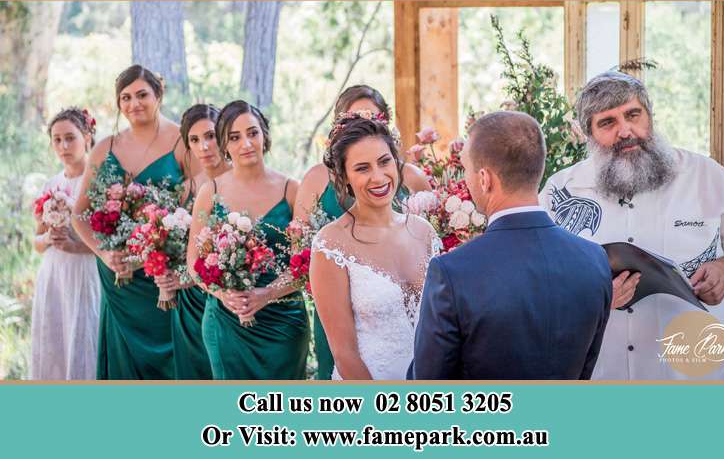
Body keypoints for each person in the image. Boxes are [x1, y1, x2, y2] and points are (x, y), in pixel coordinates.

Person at [540, 71, 724, 379]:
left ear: (649, 117)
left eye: (633, 114)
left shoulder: (708, 179)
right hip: (600, 387)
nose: (625, 130)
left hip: (694, 388)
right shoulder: (561, 192)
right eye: (607, 122)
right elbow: (537, 285)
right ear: (588, 135)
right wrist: (591, 298)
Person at [409, 111, 612, 379]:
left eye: (466, 170)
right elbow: (585, 370)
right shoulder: (594, 259)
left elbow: (428, 388)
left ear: (485, 179)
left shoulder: (452, 272)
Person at [294, 84, 431, 380]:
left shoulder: (424, 232)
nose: (378, 177)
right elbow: (344, 353)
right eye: (362, 168)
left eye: (384, 162)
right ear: (344, 177)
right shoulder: (331, 244)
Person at [73, 65, 187, 379]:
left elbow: (195, 209)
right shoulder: (104, 148)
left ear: (158, 95)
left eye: (141, 95)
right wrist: (104, 253)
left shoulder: (182, 141)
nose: (133, 103)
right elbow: (79, 213)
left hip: (162, 277)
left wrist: (154, 254)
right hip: (118, 277)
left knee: (172, 361)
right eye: (125, 97)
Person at [187, 100, 309, 379]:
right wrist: (224, 295)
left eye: (252, 133)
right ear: (224, 144)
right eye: (234, 137)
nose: (246, 143)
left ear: (264, 134)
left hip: (284, 324)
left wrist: (266, 294)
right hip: (226, 322)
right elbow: (194, 263)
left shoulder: (292, 190)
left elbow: (304, 265)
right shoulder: (210, 192)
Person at [154, 104, 229, 380]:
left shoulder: (241, 182)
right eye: (194, 140)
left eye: (210, 136)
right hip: (189, 305)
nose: (204, 146)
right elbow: (178, 245)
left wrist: (187, 278)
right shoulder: (187, 188)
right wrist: (166, 272)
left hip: (228, 299)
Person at [31, 107, 101, 380]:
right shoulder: (50, 184)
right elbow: (36, 243)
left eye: (70, 138)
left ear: (87, 137)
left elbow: (108, 243)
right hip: (54, 273)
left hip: (85, 271)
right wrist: (49, 237)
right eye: (57, 140)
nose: (63, 146)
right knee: (55, 339)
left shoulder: (97, 182)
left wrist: (76, 245)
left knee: (84, 335)